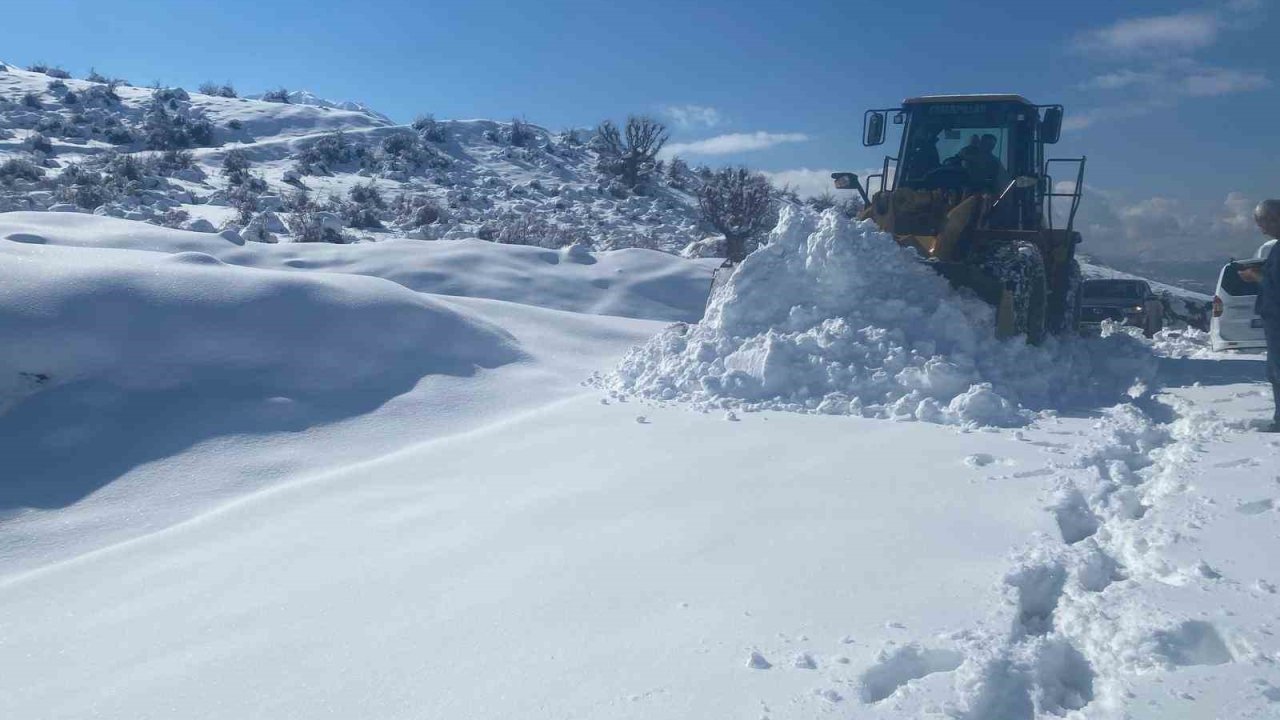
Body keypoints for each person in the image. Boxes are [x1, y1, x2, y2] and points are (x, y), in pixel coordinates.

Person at [1238, 199, 1280, 431]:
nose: (1261, 230)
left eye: (1262, 223)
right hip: (1273, 319)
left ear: (1275, 219)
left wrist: (1256, 277)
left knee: (1278, 370)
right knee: (1274, 371)